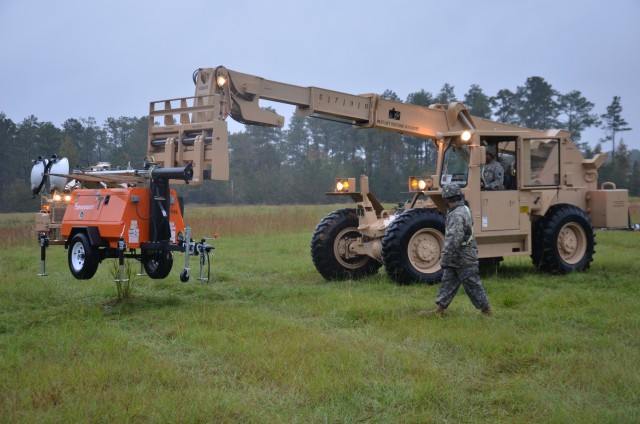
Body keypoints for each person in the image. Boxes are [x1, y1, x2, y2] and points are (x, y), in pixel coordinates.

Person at [419, 184, 492, 317]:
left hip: (464, 257)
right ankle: (439, 309)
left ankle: (486, 311)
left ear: (447, 199)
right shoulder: (464, 209)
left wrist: (445, 258)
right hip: (459, 255)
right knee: (448, 282)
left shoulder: (457, 215)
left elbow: (454, 239)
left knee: (473, 285)